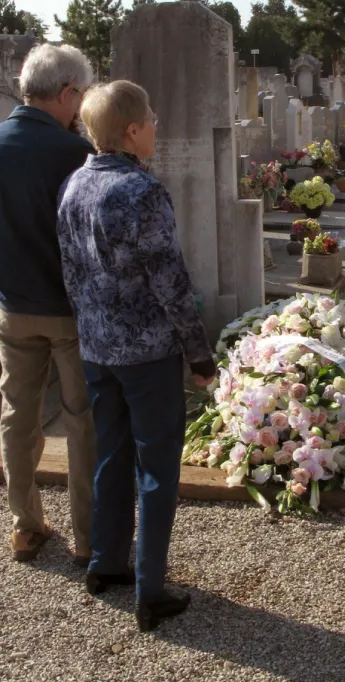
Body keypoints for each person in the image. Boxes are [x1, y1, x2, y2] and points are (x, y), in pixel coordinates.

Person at [57, 80, 216, 632]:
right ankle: (151, 589)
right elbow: (171, 283)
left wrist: (91, 330)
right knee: (157, 465)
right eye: (150, 118)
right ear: (131, 130)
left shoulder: (75, 183)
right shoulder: (141, 191)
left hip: (97, 347)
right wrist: (199, 353)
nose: (156, 126)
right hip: (146, 354)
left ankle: (105, 562)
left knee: (111, 453)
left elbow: (71, 274)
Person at [0, 44, 96, 564]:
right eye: (80, 95)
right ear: (66, 92)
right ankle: (88, 537)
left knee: (17, 416)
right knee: (83, 420)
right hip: (69, 309)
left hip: (13, 304)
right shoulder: (74, 152)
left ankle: (25, 525)